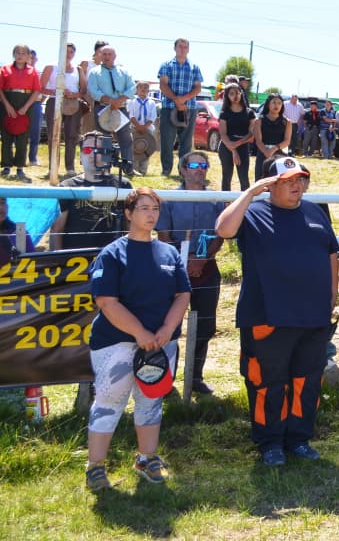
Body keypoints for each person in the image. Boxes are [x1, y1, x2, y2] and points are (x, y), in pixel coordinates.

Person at [216, 157, 339, 466]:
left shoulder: (315, 211)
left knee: (307, 381)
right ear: (269, 186)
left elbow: (331, 253)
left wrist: (332, 297)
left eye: (300, 179)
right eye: (287, 181)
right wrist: (249, 194)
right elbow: (223, 229)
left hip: (313, 316)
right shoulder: (253, 212)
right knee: (267, 382)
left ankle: (299, 438)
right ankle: (269, 442)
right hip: (267, 316)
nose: (296, 185)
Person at [84, 188, 191, 491]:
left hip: (160, 344)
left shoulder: (168, 252)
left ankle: (147, 458)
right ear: (129, 214)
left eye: (155, 208)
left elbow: (183, 294)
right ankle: (95, 466)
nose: (150, 214)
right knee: (110, 400)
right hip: (116, 342)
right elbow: (106, 301)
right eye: (143, 208)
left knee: (151, 400)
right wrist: (139, 333)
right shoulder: (113, 253)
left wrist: (168, 329)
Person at [156, 151, 226, 395]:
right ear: (183, 169)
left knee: (205, 325)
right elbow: (163, 235)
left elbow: (222, 234)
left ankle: (195, 377)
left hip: (206, 268)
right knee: (169, 326)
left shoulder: (217, 200)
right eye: (194, 165)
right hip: (173, 270)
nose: (199, 169)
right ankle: (165, 380)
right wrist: (183, 262)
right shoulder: (168, 199)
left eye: (204, 165)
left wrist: (203, 259)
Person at [49, 132, 133, 249]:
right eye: (88, 150)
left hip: (112, 257)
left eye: (99, 150)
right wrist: (58, 262)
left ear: (107, 154)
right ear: (80, 157)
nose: (93, 154)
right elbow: (57, 229)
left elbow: (131, 228)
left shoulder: (122, 185)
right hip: (75, 259)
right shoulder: (67, 187)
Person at [157, 38, 204, 177]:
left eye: (185, 46)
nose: (182, 49)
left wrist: (183, 99)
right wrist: (176, 99)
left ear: (188, 49)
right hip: (169, 107)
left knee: (186, 142)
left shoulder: (194, 67)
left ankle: (184, 171)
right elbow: (163, 85)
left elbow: (198, 88)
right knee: (167, 141)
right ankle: (166, 170)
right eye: (180, 46)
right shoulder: (166, 65)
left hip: (189, 108)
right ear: (175, 48)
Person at [86, 45, 135, 176]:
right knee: (103, 139)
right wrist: (110, 101)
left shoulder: (124, 72)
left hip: (121, 108)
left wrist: (120, 100)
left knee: (125, 138)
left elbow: (132, 88)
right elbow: (93, 91)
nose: (107, 57)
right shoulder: (94, 72)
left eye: (109, 54)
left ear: (114, 56)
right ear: (100, 56)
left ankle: (128, 168)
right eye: (104, 54)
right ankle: (104, 168)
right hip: (102, 108)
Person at [41, 42, 87, 175]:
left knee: (72, 136)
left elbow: (84, 89)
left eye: (71, 52)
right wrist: (58, 91)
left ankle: (70, 167)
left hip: (73, 104)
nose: (68, 54)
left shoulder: (78, 69)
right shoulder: (51, 67)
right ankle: (53, 167)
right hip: (54, 102)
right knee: (53, 135)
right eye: (66, 51)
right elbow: (41, 87)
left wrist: (74, 94)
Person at [1, 44, 43, 183]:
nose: (20, 55)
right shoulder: (5, 69)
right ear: (14, 54)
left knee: (23, 136)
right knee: (6, 134)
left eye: (23, 53)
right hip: (7, 100)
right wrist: (7, 105)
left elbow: (36, 90)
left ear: (28, 56)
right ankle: (6, 166)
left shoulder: (33, 71)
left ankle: (20, 167)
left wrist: (26, 106)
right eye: (17, 52)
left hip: (26, 102)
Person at [217, 84, 256, 192]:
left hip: (243, 147)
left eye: (237, 93)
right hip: (226, 147)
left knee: (244, 178)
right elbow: (223, 134)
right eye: (232, 94)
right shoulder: (224, 113)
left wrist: (237, 144)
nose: (235, 96)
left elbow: (251, 133)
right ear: (227, 96)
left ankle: (245, 205)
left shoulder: (249, 112)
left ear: (241, 94)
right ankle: (225, 204)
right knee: (226, 177)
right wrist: (233, 149)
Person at [252, 93, 292, 182]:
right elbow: (258, 140)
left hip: (279, 154)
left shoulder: (287, 122)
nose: (276, 105)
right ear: (268, 104)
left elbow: (287, 141)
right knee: (261, 181)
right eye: (273, 102)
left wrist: (273, 149)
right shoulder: (259, 120)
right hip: (263, 153)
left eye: (279, 103)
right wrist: (266, 151)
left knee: (279, 182)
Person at [126, 81, 159, 176]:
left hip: (148, 129)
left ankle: (143, 170)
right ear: (137, 89)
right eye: (141, 87)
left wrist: (144, 127)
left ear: (149, 90)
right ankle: (134, 169)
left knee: (146, 148)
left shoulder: (152, 102)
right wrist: (138, 126)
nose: (143, 90)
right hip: (134, 127)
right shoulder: (131, 101)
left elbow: (153, 116)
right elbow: (130, 114)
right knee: (134, 148)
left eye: (146, 88)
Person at [0, 197, 37, 263]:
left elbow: (33, 262)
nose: (1, 207)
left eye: (3, 202)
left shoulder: (19, 231)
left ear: (7, 206)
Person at [25, 49, 42, 166]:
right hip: (22, 104)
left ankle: (32, 158)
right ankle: (19, 157)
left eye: (33, 58)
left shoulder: (38, 73)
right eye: (30, 57)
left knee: (35, 132)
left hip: (36, 104)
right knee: (20, 132)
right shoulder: (21, 72)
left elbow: (42, 90)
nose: (32, 60)